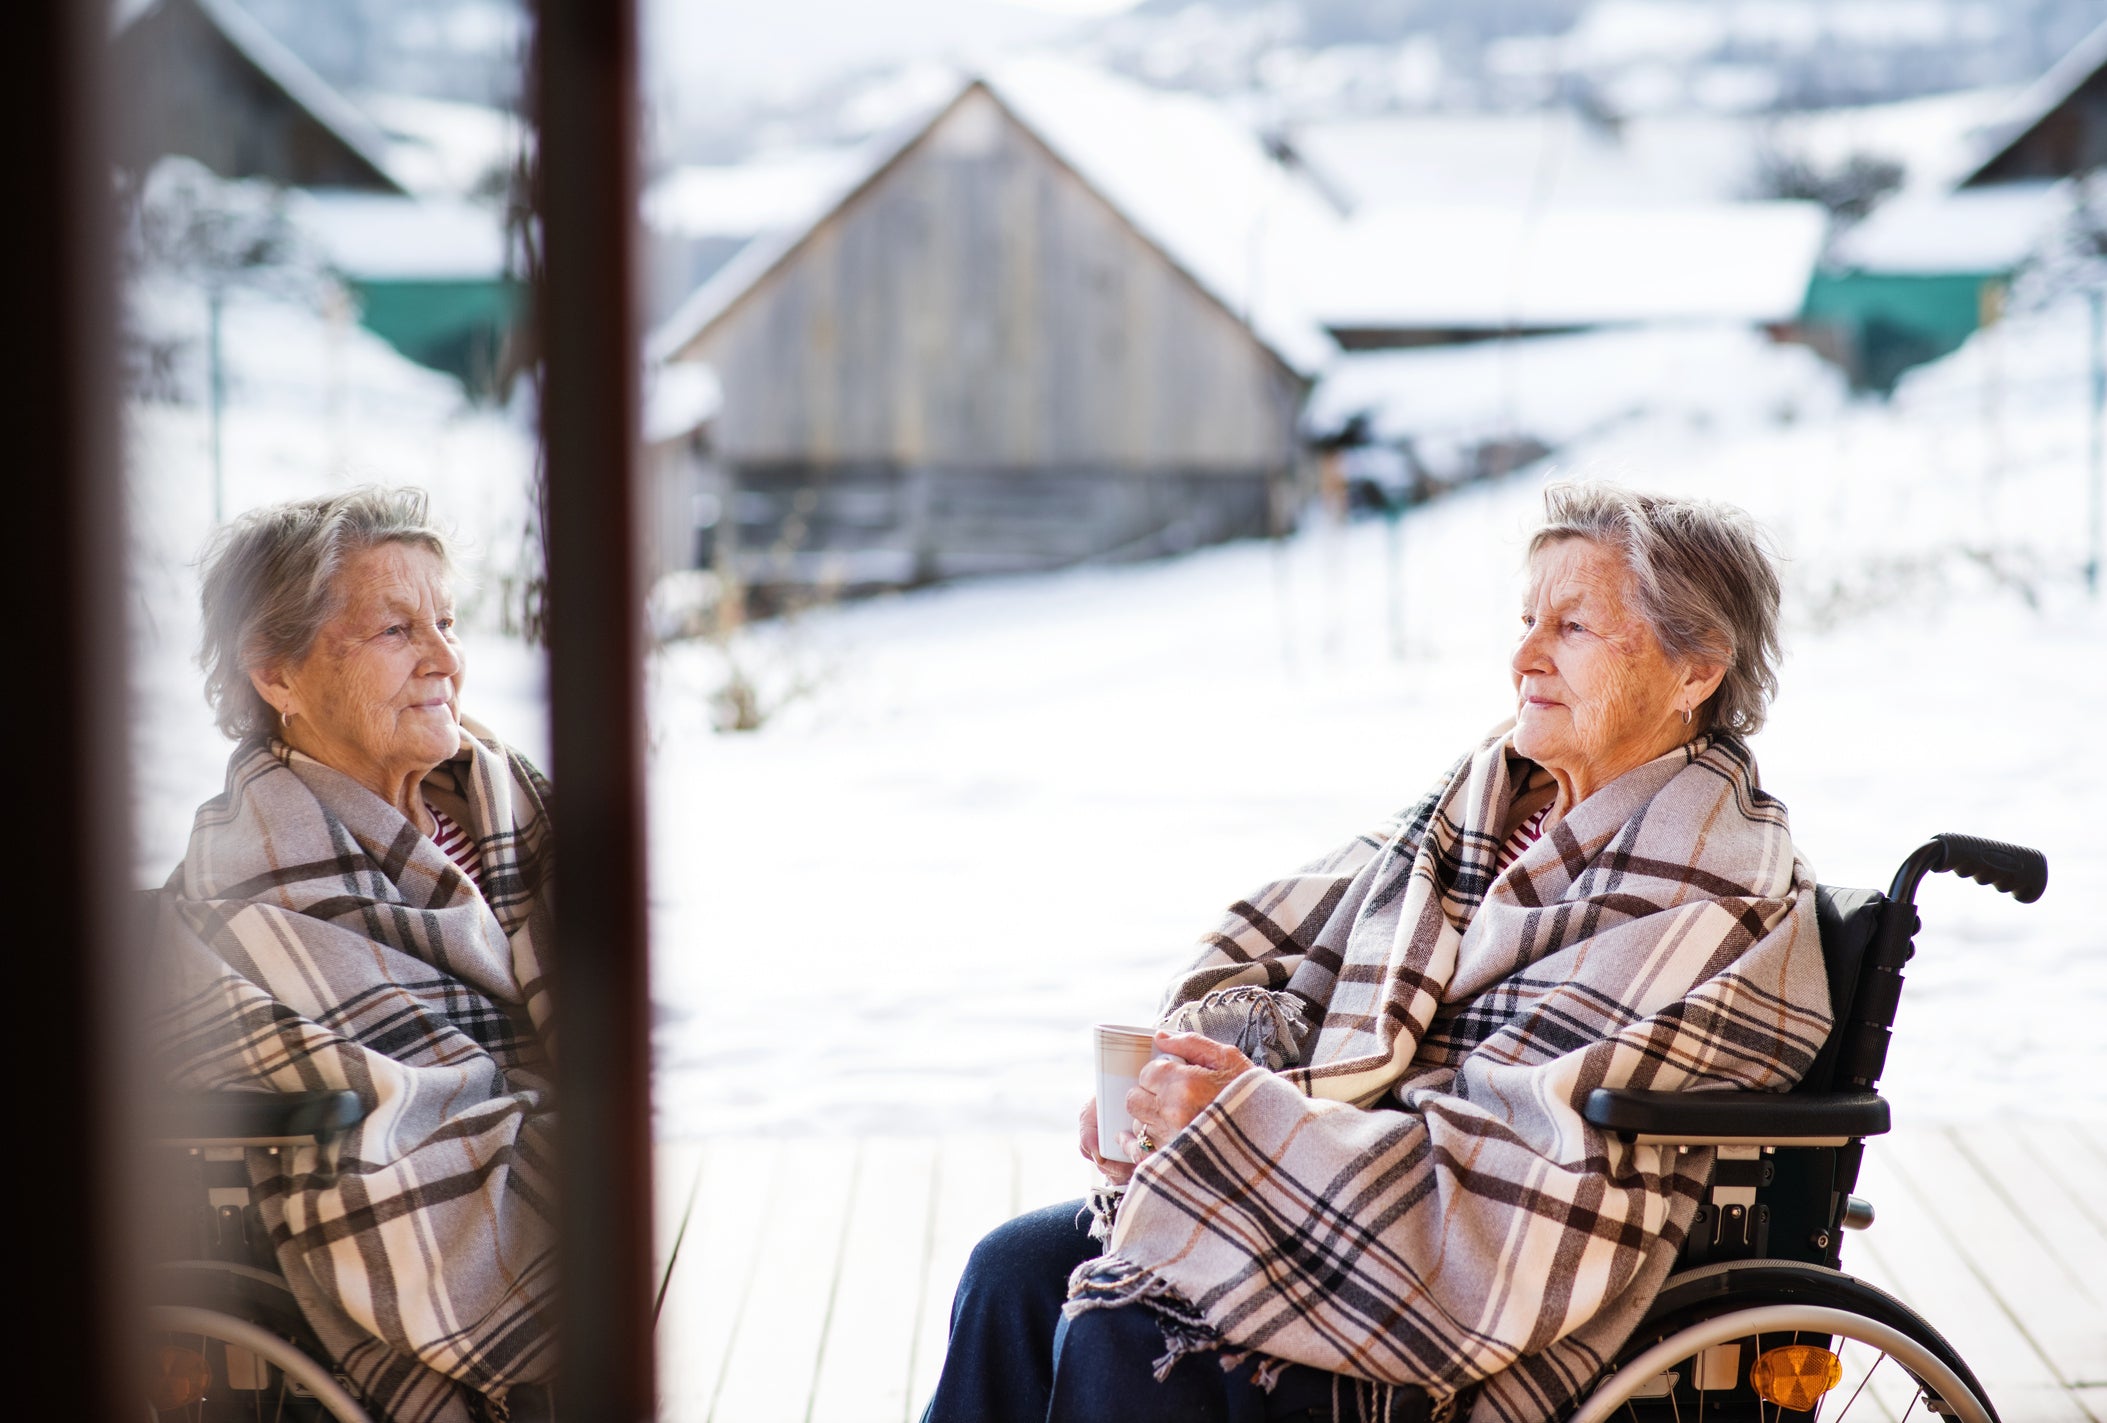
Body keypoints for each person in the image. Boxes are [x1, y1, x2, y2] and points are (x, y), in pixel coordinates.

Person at [922, 483, 1834, 1423]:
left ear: (1697, 670)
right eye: (1526, 619)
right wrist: (1187, 1092)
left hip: (1472, 1264)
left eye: (1570, 628)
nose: (1522, 656)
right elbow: (1308, 964)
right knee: (1013, 1272)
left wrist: (1253, 1128)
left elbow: (1519, 1173)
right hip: (1353, 1186)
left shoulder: (1707, 877)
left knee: (1130, 1334)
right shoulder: (1486, 805)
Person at [155, 487, 555, 1423]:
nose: (447, 659)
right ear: (276, 673)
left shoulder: (497, 799)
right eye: (395, 630)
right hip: (450, 1204)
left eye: (448, 622)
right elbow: (394, 1097)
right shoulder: (263, 865)